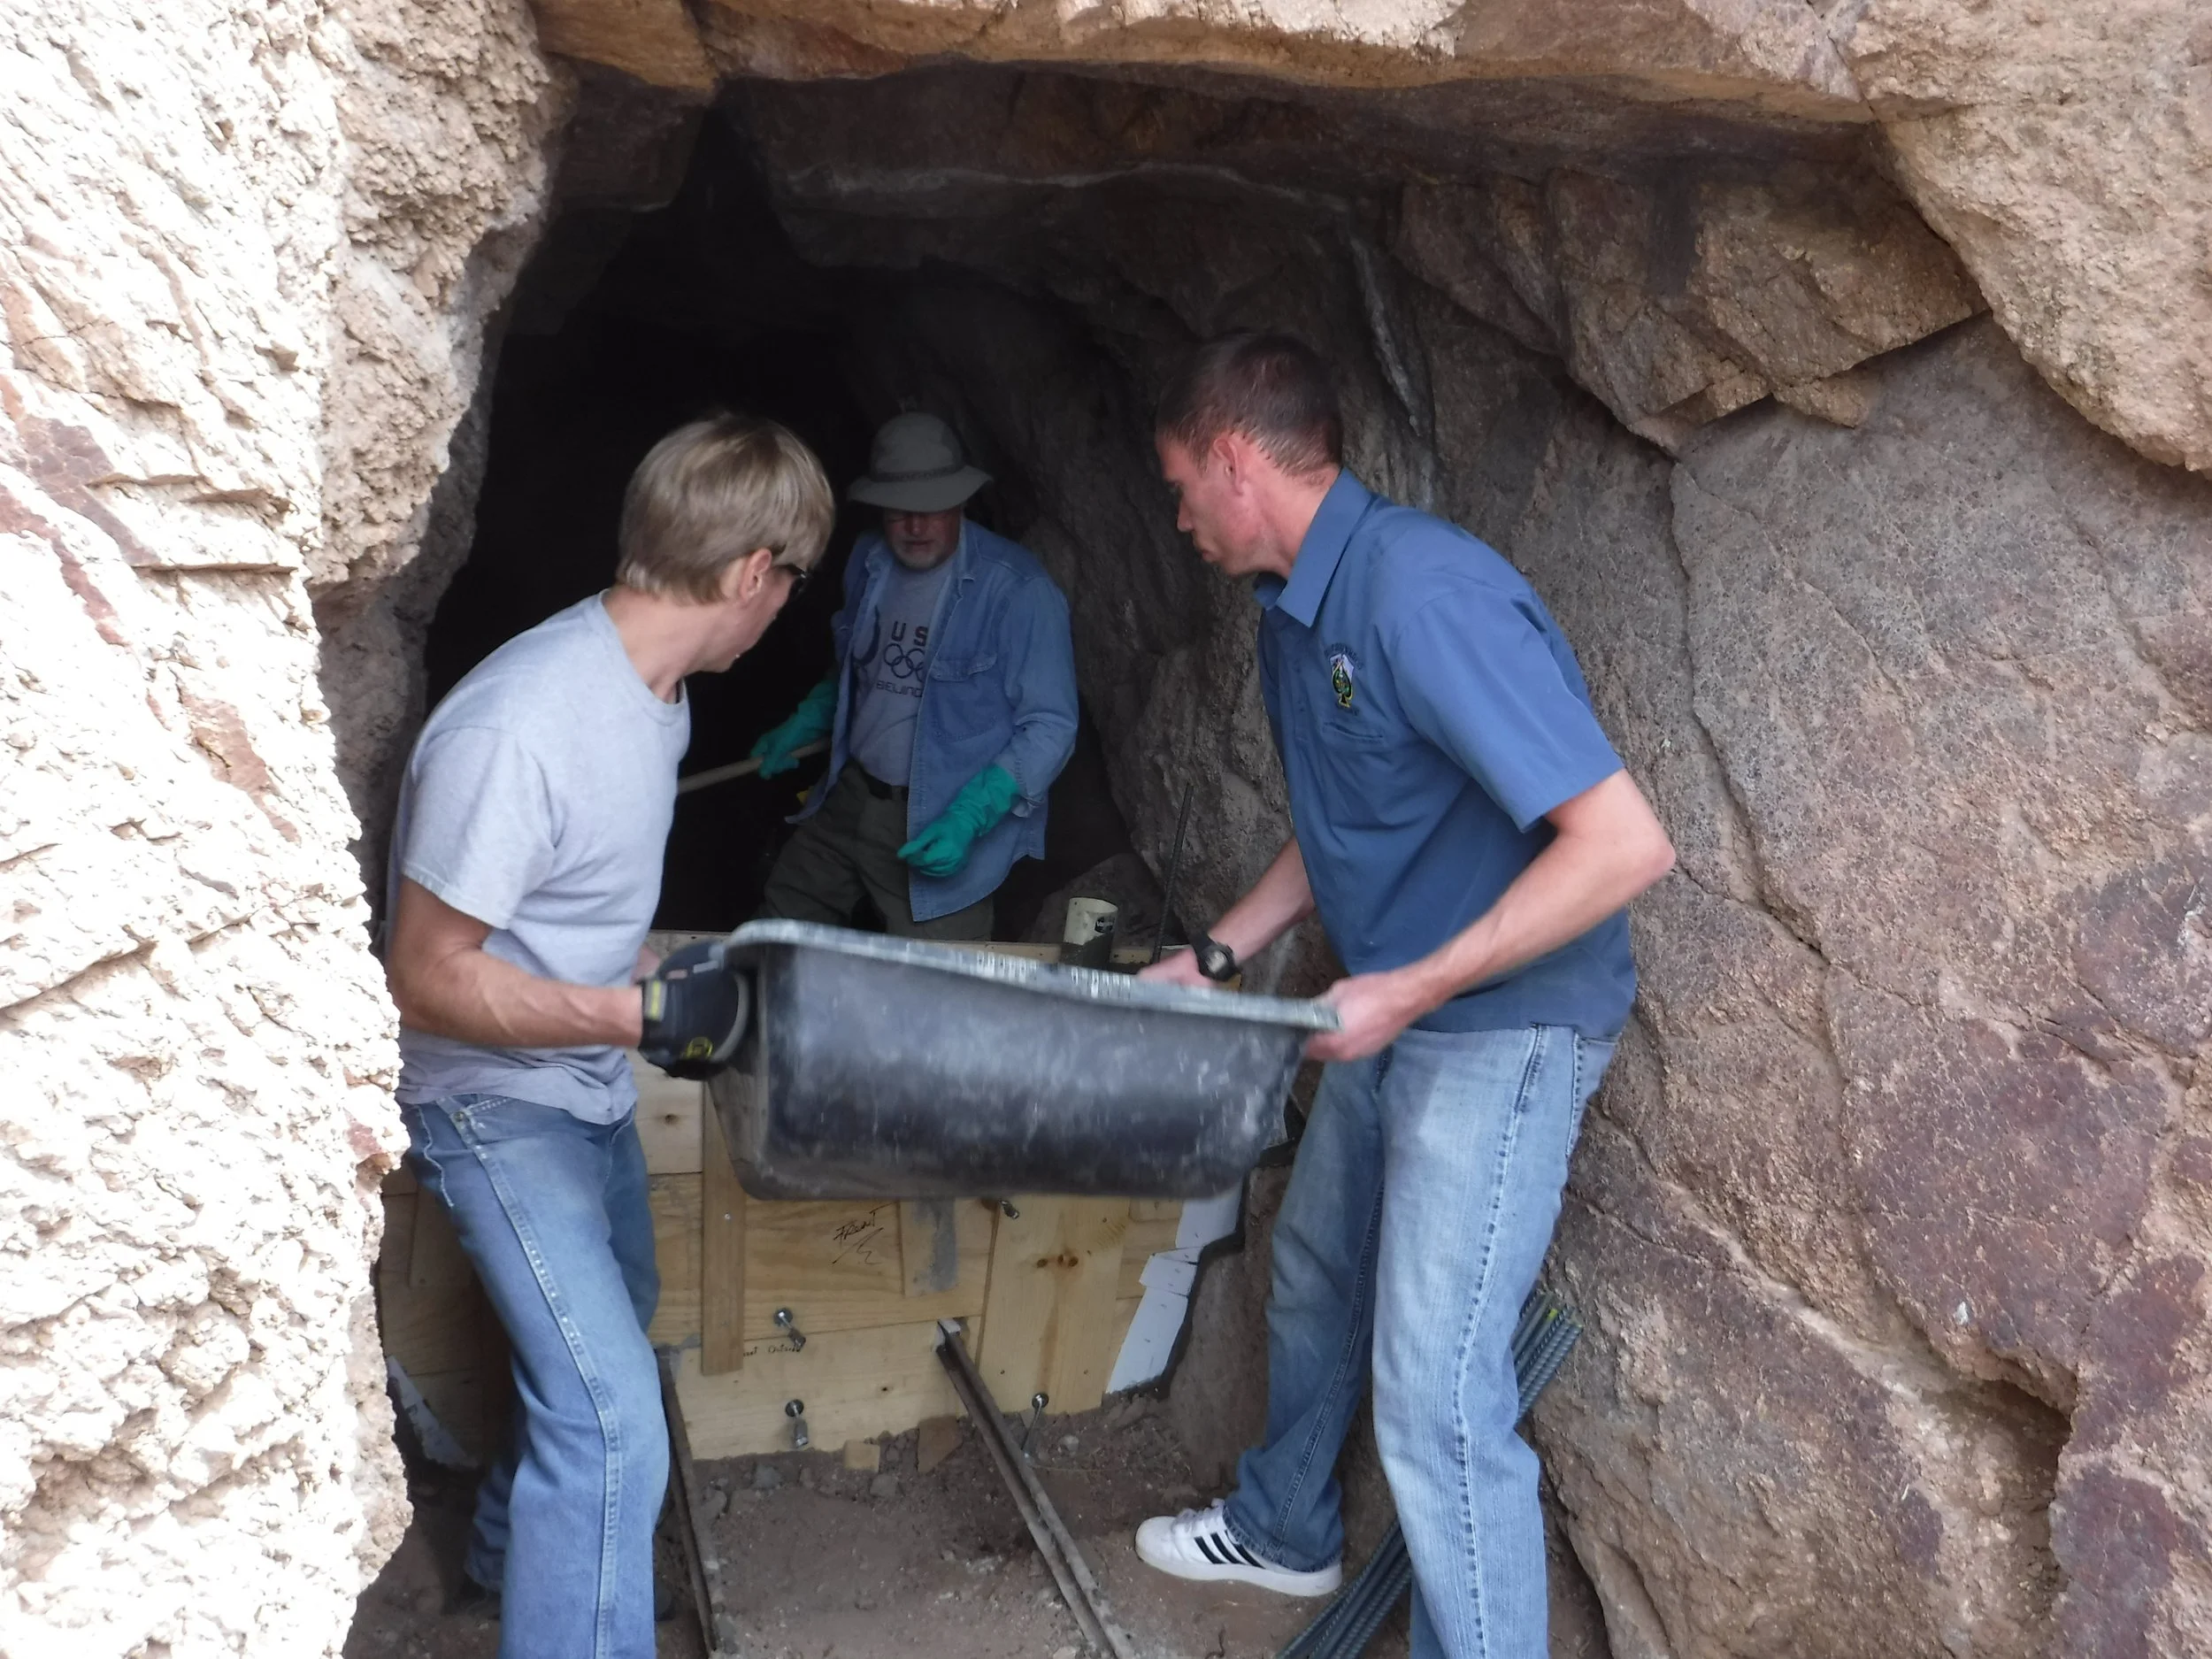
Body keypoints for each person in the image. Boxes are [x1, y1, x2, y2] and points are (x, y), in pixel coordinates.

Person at [1131, 334, 1675, 1657]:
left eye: (1181, 488)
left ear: (1235, 460)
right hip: (1398, 1009)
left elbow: (1623, 845)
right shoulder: (1291, 607)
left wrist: (1409, 988)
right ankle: (1286, 1526)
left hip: (1495, 1027)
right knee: (1313, 1264)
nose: (1181, 519)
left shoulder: (1424, 597)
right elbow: (1344, 819)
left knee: (1435, 1399)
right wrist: (1214, 952)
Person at [381, 413, 833, 1659]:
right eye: (789, 580)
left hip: (581, 1079)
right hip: (489, 1094)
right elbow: (424, 978)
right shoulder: (518, 725)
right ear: (754, 573)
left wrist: (670, 967)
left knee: (614, 1313)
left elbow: (559, 919)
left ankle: (513, 1576)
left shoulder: (662, 695)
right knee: (610, 1414)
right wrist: (632, 1013)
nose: (784, 605)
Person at [749, 411, 1078, 940]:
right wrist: (808, 718)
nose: (916, 526)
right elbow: (857, 668)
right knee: (774, 937)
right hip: (849, 795)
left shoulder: (1019, 591)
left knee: (938, 991)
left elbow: (1052, 725)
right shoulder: (868, 561)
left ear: (962, 501)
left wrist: (972, 813)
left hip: (943, 816)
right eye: (900, 512)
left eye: (933, 508)